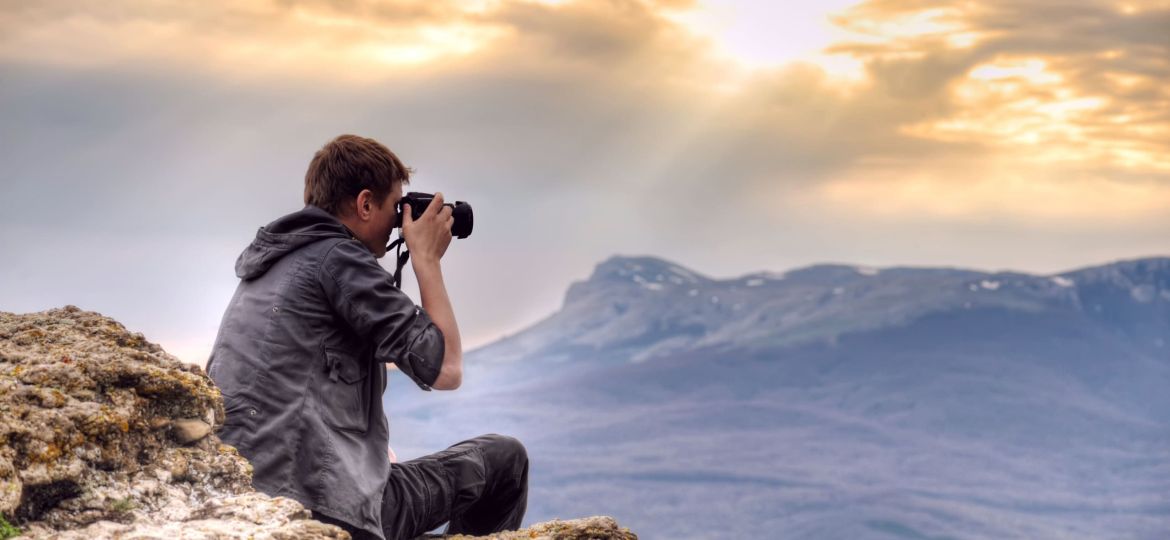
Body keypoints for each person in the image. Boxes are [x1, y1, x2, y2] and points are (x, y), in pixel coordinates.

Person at [206, 134, 529, 540]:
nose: (400, 220)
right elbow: (446, 369)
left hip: (253, 497)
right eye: (396, 206)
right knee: (505, 459)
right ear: (364, 204)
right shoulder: (338, 259)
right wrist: (426, 260)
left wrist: (366, 458)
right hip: (321, 505)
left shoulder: (273, 263)